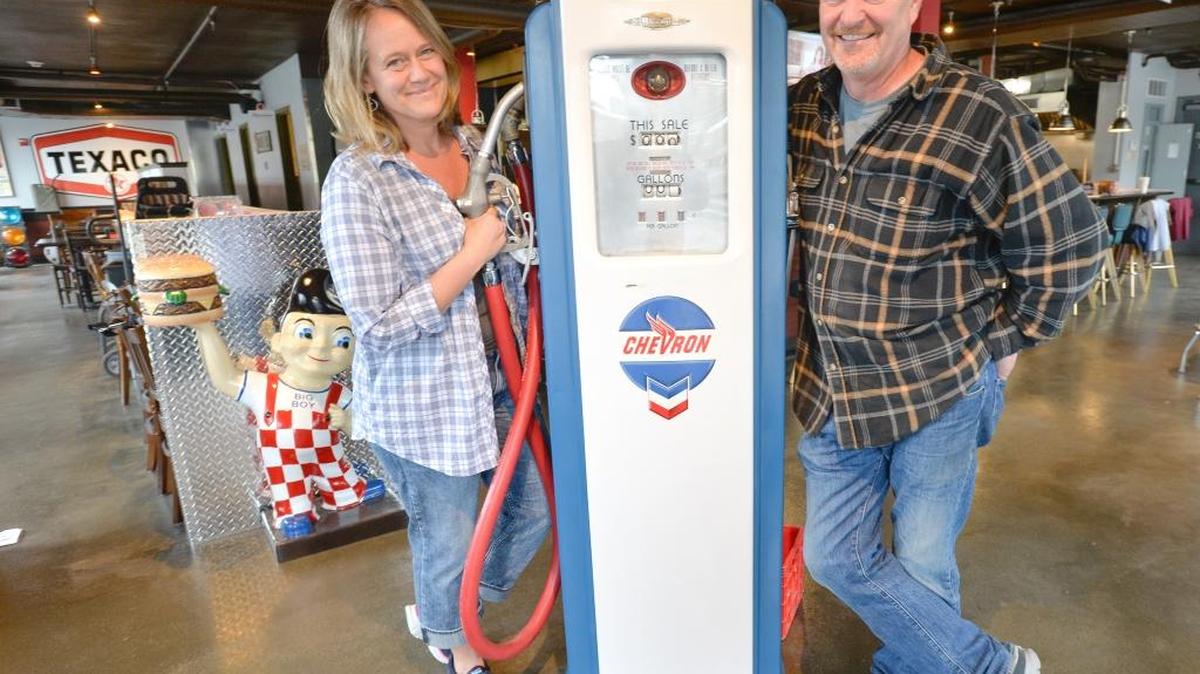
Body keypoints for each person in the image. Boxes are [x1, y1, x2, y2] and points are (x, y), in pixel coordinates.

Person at [788, 1, 1107, 672]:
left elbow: (1073, 245)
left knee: (923, 560)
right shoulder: (800, 109)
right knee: (832, 555)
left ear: (910, 5)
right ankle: (986, 664)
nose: (850, 15)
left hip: (940, 388)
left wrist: (1007, 339)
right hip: (832, 387)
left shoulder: (977, 112)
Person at [320, 2, 550, 673]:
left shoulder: (477, 144)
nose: (420, 72)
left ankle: (444, 610)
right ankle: (455, 645)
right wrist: (471, 252)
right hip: (423, 401)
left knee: (534, 510)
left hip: (506, 378)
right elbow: (380, 322)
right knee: (446, 538)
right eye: (395, 61)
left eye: (426, 52)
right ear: (365, 80)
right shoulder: (358, 180)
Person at [188, 267, 386, 538]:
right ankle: (294, 510)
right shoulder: (264, 387)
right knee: (291, 493)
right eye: (306, 334)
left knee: (342, 482)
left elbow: (360, 429)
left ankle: (350, 490)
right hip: (284, 462)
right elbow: (225, 377)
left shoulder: (339, 393)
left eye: (341, 340)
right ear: (278, 340)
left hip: (330, 457)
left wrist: (347, 421)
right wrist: (205, 327)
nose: (320, 348)